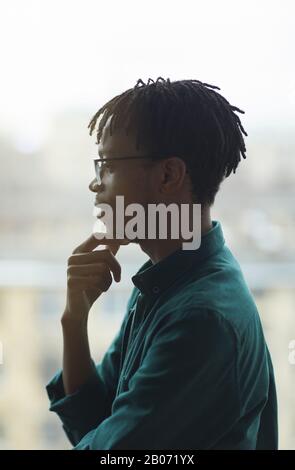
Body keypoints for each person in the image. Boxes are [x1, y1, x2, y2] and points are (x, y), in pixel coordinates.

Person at [46, 77, 278, 450]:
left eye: (105, 165)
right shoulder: (165, 285)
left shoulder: (201, 318)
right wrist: (74, 319)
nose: (95, 184)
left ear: (168, 175)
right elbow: (95, 425)